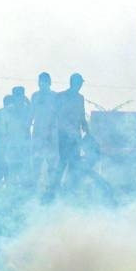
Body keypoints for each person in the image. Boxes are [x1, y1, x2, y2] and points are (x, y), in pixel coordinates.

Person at [45, 73, 89, 201]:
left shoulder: (80, 98)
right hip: (63, 134)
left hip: (76, 135)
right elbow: (53, 114)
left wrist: (87, 130)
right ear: (74, 83)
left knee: (75, 162)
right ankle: (55, 188)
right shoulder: (60, 97)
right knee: (64, 160)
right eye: (79, 83)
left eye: (81, 83)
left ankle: (71, 189)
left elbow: (82, 116)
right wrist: (49, 131)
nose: (80, 86)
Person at [30, 72, 58, 190]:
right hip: (37, 134)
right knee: (37, 161)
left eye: (45, 81)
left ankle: (51, 188)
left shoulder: (55, 96)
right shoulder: (35, 96)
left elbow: (58, 114)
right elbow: (31, 114)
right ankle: (34, 187)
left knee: (52, 161)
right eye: (40, 81)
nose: (42, 83)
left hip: (51, 134)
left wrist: (53, 131)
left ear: (49, 82)